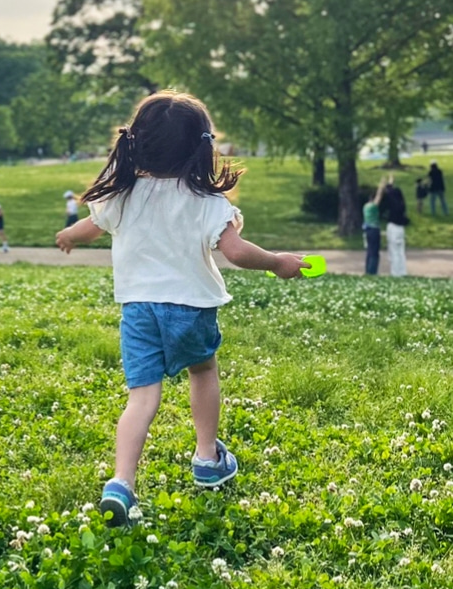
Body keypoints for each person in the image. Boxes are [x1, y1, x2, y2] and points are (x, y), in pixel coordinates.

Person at [54, 91, 308, 528]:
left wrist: (70, 237)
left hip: (138, 311)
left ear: (137, 142)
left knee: (142, 396)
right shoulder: (209, 203)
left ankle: (121, 483)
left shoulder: (121, 195)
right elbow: (237, 252)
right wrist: (278, 262)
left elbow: (90, 227)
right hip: (190, 308)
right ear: (201, 147)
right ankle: (207, 457)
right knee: (203, 371)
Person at [379, 174, 410, 277]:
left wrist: (385, 184)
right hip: (400, 228)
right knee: (400, 251)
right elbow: (391, 192)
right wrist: (390, 182)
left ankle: (395, 272)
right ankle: (402, 271)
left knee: (393, 251)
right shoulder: (401, 205)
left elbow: (389, 194)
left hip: (393, 227)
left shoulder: (393, 206)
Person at [363, 179, 384, 275]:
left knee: (369, 250)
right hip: (374, 230)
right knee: (374, 252)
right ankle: (373, 271)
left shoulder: (365, 206)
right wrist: (381, 186)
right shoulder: (373, 206)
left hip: (367, 230)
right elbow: (379, 196)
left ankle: (367, 270)